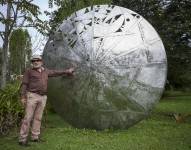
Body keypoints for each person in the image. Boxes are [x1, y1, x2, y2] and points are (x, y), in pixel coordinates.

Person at [19, 55, 74, 146]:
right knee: (28, 118)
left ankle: (35, 137)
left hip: (43, 97)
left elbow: (56, 72)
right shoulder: (29, 72)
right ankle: (22, 139)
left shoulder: (46, 71)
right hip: (32, 96)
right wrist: (22, 97)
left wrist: (67, 71)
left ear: (41, 62)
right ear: (32, 63)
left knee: (38, 118)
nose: (35, 62)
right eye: (33, 61)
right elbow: (24, 84)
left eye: (37, 60)